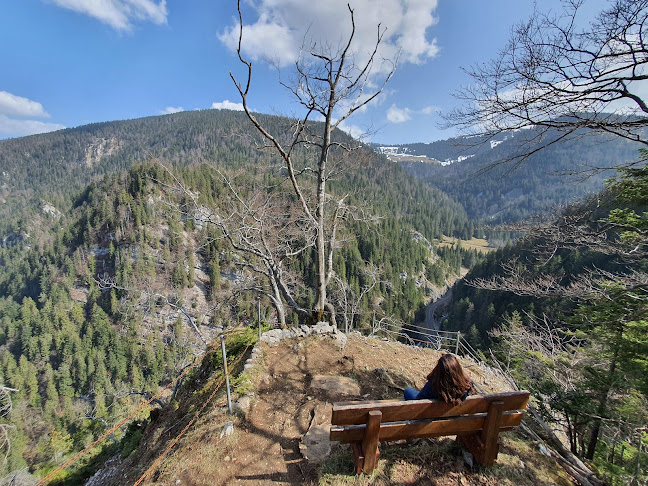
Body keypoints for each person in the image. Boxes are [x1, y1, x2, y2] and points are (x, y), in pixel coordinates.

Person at [403, 353, 473, 405]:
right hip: (456, 421)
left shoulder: (433, 386)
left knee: (408, 391)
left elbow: (419, 400)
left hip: (430, 418)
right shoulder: (466, 387)